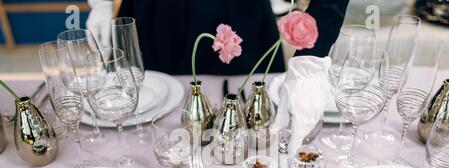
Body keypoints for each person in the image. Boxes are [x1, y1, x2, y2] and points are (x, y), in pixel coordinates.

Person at [87, 0, 350, 75]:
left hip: (240, 18)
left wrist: (311, 58)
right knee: (143, 128)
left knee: (253, 133)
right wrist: (101, 3)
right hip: (155, 18)